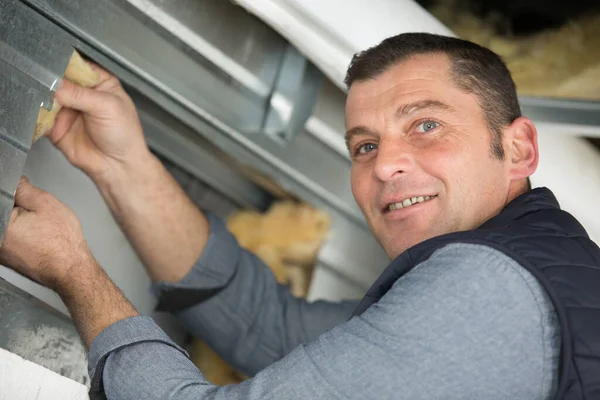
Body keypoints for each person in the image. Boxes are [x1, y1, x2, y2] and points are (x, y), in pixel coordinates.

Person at [1, 32, 599, 400]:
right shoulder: (532, 266)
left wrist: (73, 269)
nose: (385, 165)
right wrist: (123, 165)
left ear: (518, 148)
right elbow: (270, 330)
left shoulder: (491, 292)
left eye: (426, 125)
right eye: (364, 145)